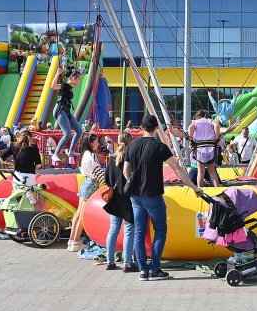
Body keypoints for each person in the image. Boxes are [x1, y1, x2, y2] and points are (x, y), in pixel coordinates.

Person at [124, 115, 202, 281]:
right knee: (160, 230)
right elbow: (177, 169)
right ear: (156, 128)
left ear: (141, 127)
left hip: (135, 195)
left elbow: (125, 171)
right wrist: (193, 187)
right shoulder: (159, 147)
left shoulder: (131, 146)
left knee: (139, 231)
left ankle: (143, 270)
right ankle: (155, 268)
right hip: (152, 194)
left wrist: (133, 180)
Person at [104, 130, 139, 272]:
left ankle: (110, 261)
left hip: (115, 198)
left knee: (113, 230)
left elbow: (107, 179)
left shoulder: (112, 158)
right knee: (129, 230)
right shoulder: (131, 158)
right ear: (131, 142)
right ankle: (128, 263)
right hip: (129, 198)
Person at [67, 133, 106, 252]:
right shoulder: (92, 156)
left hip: (85, 183)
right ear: (91, 143)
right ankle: (76, 242)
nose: (98, 144)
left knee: (78, 213)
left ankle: (71, 240)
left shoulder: (83, 155)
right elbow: (98, 173)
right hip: (91, 184)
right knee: (82, 215)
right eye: (96, 142)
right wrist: (108, 182)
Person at [51, 67, 83, 164]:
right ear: (73, 78)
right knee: (67, 134)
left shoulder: (69, 87)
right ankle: (55, 154)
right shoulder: (64, 85)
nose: (79, 81)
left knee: (79, 131)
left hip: (66, 111)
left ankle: (71, 151)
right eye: (79, 79)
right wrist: (57, 74)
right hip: (60, 110)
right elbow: (53, 86)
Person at [187, 110, 222, 186]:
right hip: (211, 147)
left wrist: (191, 138)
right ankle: (217, 188)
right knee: (212, 171)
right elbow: (217, 126)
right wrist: (216, 138)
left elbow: (190, 127)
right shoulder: (210, 121)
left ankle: (201, 189)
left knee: (200, 171)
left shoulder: (196, 121)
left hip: (200, 147)